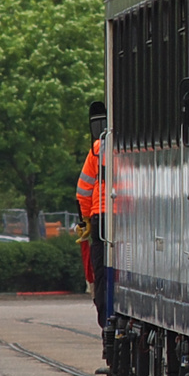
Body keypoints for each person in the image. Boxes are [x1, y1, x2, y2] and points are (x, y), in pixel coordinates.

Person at [76, 138, 107, 327]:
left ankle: (105, 319)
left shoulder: (100, 146)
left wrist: (85, 218)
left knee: (101, 273)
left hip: (102, 215)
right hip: (133, 214)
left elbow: (84, 189)